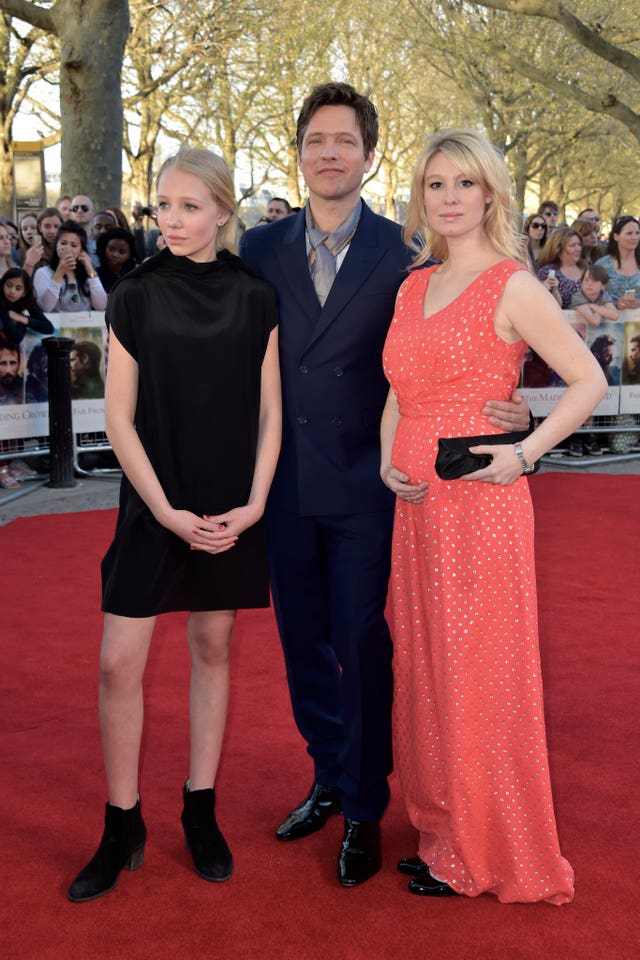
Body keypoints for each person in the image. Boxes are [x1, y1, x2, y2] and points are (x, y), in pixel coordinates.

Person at [240, 82, 530, 887]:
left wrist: (510, 410)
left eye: (345, 142)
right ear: (298, 153)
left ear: (368, 156)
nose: (329, 154)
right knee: (302, 644)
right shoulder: (258, 250)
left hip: (377, 488)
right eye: (315, 141)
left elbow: (475, 333)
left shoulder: (408, 252)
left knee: (365, 646)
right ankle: (329, 774)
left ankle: (366, 806)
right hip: (287, 485)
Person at [380, 128, 606, 903]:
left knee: (478, 669)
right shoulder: (414, 285)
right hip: (416, 506)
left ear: (490, 195)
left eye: (463, 184)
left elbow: (586, 382)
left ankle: (487, 849)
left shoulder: (512, 284)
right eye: (435, 184)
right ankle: (445, 830)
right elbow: (398, 388)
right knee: (428, 665)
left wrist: (527, 451)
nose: (448, 198)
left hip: (480, 503)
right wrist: (387, 456)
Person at [67, 146, 281, 903]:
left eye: (190, 206)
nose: (174, 220)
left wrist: (254, 503)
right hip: (153, 502)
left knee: (213, 644)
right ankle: (122, 821)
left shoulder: (256, 296)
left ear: (224, 211)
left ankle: (201, 806)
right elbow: (117, 419)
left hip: (229, 503)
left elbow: (270, 412)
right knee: (116, 663)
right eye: (164, 205)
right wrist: (162, 511)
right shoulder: (134, 294)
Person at [33, 221, 107, 313]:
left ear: (81, 250)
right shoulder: (43, 273)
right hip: (56, 326)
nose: (68, 249)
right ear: (56, 246)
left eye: (74, 245)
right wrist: (60, 272)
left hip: (86, 325)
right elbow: (45, 308)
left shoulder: (88, 273)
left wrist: (90, 270)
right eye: (63, 243)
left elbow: (101, 306)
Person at [595, 215, 640, 309]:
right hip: (610, 321)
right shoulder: (602, 265)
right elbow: (591, 297)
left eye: (637, 233)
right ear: (616, 236)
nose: (634, 237)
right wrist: (615, 304)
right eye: (629, 233)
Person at [0, 268, 54, 342]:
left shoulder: (26, 301)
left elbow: (49, 328)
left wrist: (21, 318)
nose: (12, 291)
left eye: (18, 288)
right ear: (3, 285)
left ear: (24, 292)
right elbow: (16, 337)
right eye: (9, 285)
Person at [536, 226, 585, 308]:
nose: (578, 249)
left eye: (579, 244)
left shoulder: (587, 269)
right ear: (558, 249)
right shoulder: (547, 272)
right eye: (572, 245)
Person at [96, 228, 137, 293]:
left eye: (122, 252)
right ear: (104, 248)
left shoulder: (134, 275)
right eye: (111, 249)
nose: (115, 255)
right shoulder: (96, 276)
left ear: (130, 255)